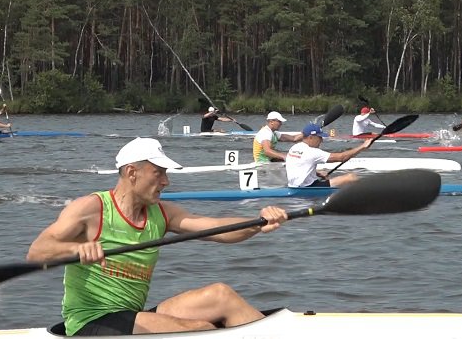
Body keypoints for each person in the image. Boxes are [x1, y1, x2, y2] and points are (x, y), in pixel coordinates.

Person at [26, 137, 288, 336]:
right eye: (159, 172)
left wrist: (258, 223)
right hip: (91, 322)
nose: (166, 182)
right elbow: (37, 252)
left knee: (221, 295)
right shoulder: (91, 209)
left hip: (132, 316)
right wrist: (77, 250)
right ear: (132, 173)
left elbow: (215, 227)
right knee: (201, 329)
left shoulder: (161, 213)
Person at [286, 123, 372, 188]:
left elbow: (298, 165)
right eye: (320, 137)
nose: (321, 140)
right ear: (311, 137)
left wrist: (317, 173)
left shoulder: (294, 148)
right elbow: (342, 157)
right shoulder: (312, 152)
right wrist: (362, 147)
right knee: (351, 177)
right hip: (308, 188)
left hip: (293, 186)